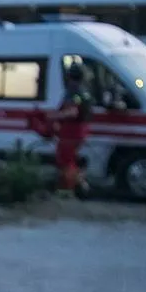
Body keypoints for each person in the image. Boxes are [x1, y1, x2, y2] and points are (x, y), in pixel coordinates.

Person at [48, 62, 93, 197]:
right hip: (81, 130)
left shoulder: (73, 91)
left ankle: (70, 189)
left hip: (70, 131)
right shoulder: (84, 91)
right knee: (72, 159)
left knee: (66, 161)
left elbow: (72, 112)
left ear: (69, 76)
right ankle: (79, 185)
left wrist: (53, 116)